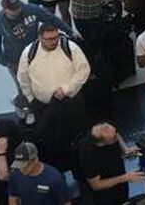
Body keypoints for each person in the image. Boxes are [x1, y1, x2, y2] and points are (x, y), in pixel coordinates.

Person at [16, 25, 91, 169]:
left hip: (71, 102)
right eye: (48, 39)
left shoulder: (70, 48)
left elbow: (83, 70)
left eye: (55, 37)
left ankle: (80, 164)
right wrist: (31, 98)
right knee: (49, 138)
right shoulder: (29, 53)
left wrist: (67, 89)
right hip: (44, 106)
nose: (53, 41)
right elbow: (23, 78)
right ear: (39, 38)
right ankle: (57, 167)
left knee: (76, 134)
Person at [0, 0, 72, 101]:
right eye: (14, 9)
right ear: (6, 10)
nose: (18, 10)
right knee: (24, 88)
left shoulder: (31, 10)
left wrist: (69, 31)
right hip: (15, 60)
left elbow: (52, 19)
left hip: (35, 54)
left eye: (18, 6)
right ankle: (28, 107)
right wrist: (1, 59)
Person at [78, 122, 145, 205]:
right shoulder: (88, 154)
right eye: (113, 137)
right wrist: (125, 177)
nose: (116, 136)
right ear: (103, 142)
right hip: (106, 194)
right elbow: (96, 185)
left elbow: (116, 134)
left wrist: (125, 149)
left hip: (121, 184)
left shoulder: (105, 128)